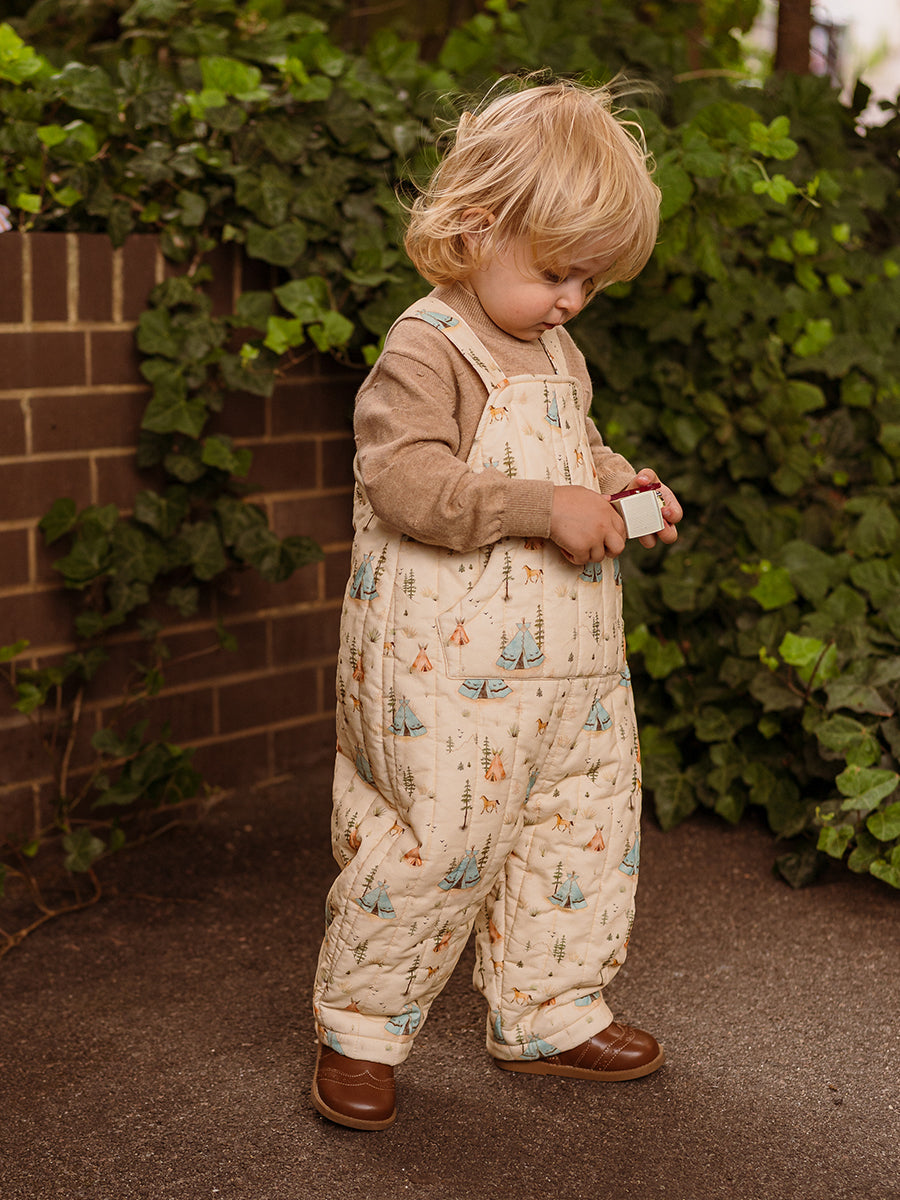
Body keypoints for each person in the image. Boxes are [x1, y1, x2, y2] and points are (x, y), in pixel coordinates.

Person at [311, 77, 682, 1131]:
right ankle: (361, 1029)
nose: (572, 299)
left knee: (582, 829)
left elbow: (575, 449)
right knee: (438, 840)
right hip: (445, 672)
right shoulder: (428, 345)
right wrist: (541, 506)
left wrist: (617, 483)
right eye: (557, 271)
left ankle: (550, 1011)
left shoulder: (557, 349)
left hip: (574, 668)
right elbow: (403, 478)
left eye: (591, 281)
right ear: (477, 229)